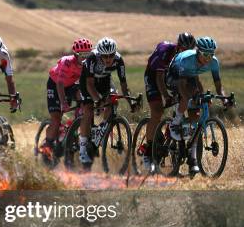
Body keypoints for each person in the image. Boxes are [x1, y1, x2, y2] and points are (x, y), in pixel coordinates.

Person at [166, 36, 230, 174]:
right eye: (205, 54)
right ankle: (175, 122)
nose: (208, 58)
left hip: (190, 76)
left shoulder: (214, 62)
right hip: (174, 76)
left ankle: (193, 159)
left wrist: (224, 99)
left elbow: (219, 86)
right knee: (187, 96)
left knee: (195, 116)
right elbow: (182, 86)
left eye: (211, 54)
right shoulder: (187, 59)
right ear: (198, 52)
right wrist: (190, 97)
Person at [142, 32, 196, 169]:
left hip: (169, 77)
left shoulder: (188, 59)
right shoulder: (165, 51)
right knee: (157, 111)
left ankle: (172, 130)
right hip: (153, 77)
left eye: (190, 51)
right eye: (184, 50)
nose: (187, 53)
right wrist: (166, 96)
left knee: (184, 98)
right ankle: (147, 151)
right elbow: (159, 78)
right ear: (178, 46)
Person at [78, 37, 132, 165]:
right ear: (100, 54)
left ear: (115, 53)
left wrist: (131, 102)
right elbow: (90, 85)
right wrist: (98, 100)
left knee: (114, 101)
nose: (108, 59)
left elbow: (124, 85)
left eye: (111, 55)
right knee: (88, 111)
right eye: (105, 56)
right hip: (88, 82)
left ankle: (102, 129)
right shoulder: (92, 58)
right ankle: (83, 148)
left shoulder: (119, 60)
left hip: (104, 81)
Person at [40, 38, 92, 160]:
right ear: (75, 54)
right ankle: (48, 143)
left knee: (83, 99)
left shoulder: (89, 63)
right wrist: (63, 103)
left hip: (71, 85)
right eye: (82, 55)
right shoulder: (67, 62)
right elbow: (59, 84)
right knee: (57, 118)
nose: (85, 58)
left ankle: (76, 122)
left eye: (87, 54)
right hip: (55, 84)